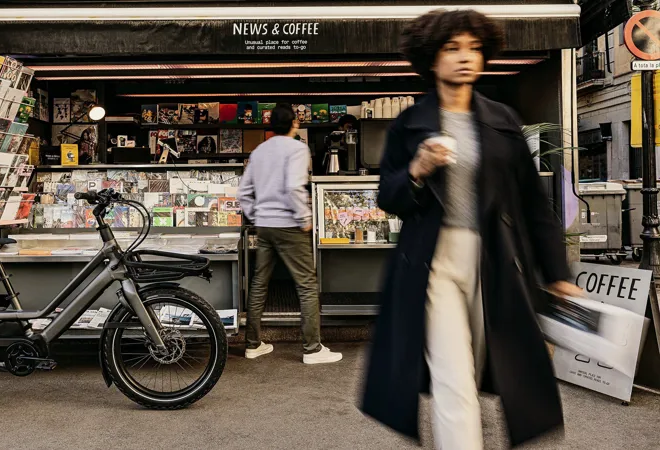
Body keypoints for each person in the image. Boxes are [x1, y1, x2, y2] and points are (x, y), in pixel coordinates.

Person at [361, 9, 583, 449]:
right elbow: (388, 197)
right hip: (432, 262)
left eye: (474, 48)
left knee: (500, 362)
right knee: (452, 374)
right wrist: (417, 171)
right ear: (432, 58)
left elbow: (533, 204)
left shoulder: (502, 121)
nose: (465, 57)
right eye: (452, 48)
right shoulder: (409, 124)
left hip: (496, 259)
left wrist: (556, 272)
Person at [238, 104, 342, 365]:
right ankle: (312, 349)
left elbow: (243, 193)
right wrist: (304, 218)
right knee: (306, 285)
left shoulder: (259, 151)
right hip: (289, 225)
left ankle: (253, 344)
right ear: (295, 123)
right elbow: (294, 186)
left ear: (271, 125)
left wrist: (258, 213)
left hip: (264, 226)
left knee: (259, 283)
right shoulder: (297, 148)